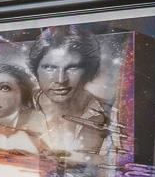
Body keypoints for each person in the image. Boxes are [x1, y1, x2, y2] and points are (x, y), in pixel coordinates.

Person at [29, 27, 113, 159]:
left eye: (73, 67)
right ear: (36, 70)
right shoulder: (18, 105)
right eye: (50, 68)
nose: (61, 80)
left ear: (89, 71)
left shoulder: (111, 114)